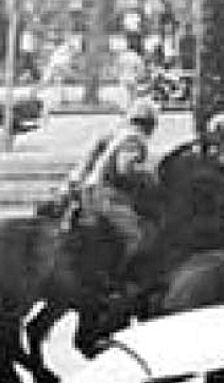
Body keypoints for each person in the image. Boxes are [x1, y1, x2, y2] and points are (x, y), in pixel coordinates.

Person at [62, 98, 160, 280]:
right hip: (107, 196)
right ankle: (120, 279)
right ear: (150, 124)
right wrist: (152, 176)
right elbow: (126, 168)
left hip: (93, 191)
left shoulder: (117, 134)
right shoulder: (134, 139)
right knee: (137, 237)